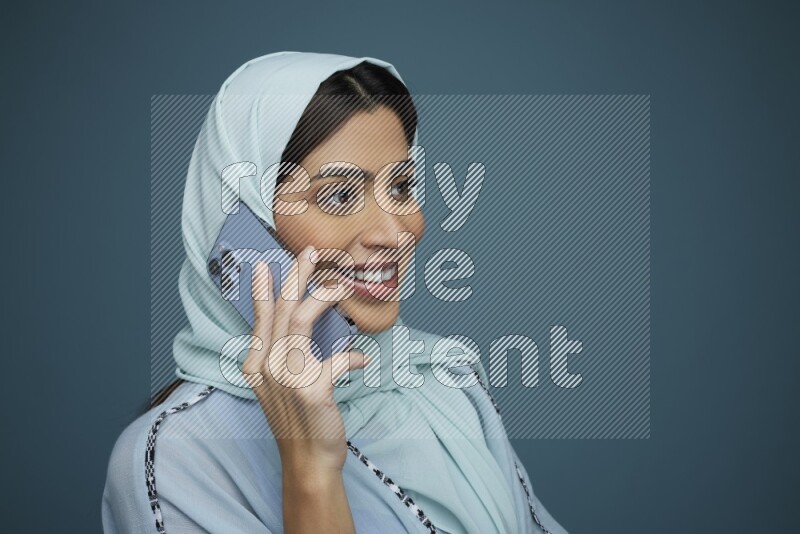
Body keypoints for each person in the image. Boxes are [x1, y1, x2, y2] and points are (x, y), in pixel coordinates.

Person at [102, 51, 568, 534]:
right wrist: (310, 472)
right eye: (340, 196)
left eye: (403, 187)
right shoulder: (176, 457)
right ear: (244, 226)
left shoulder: (447, 383)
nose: (393, 232)